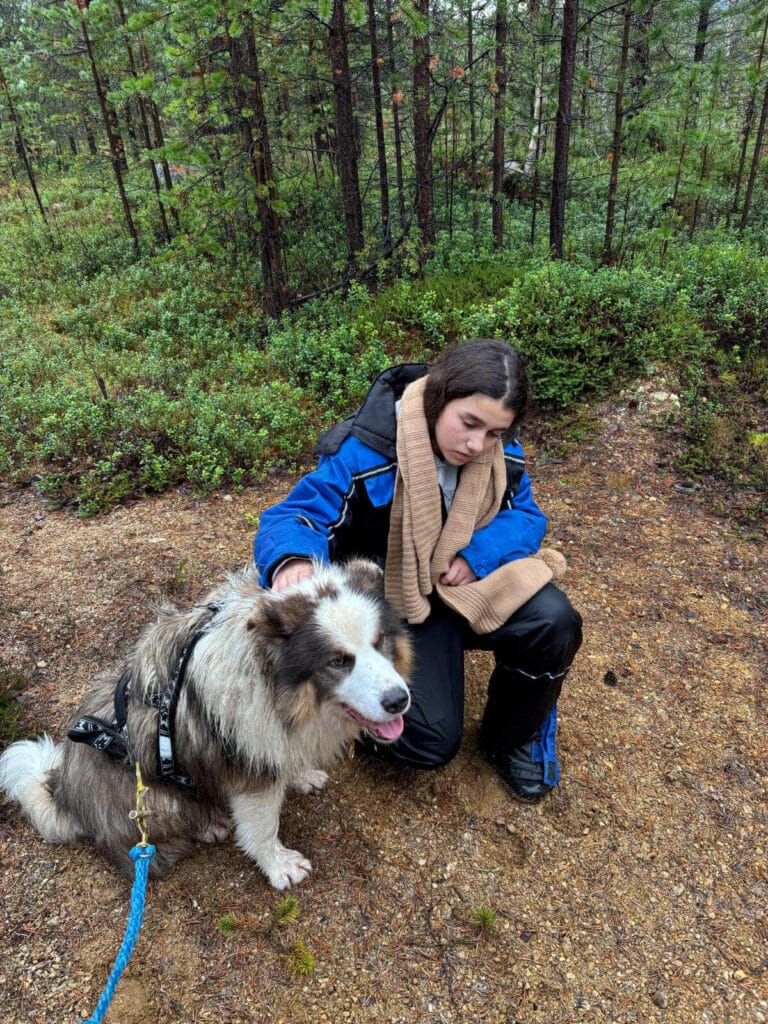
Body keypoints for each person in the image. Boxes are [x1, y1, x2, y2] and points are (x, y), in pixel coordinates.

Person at [253, 339, 582, 802]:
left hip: (464, 588)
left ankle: (513, 737)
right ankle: (354, 713)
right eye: (469, 423)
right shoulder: (365, 450)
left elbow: (526, 517)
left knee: (554, 622)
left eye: (495, 432)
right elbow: (296, 515)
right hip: (396, 605)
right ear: (439, 397)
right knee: (429, 742)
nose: (477, 444)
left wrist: (477, 556)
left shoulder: (502, 456)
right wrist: (293, 561)